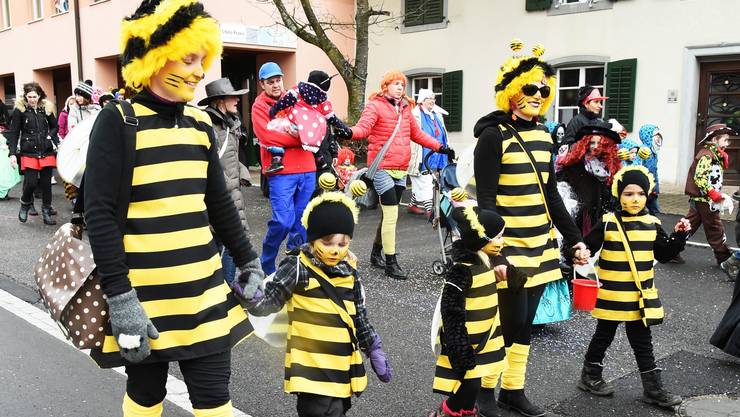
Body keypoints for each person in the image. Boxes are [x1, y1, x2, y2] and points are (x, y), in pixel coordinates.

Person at [83, 2, 264, 416]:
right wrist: (121, 299)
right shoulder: (118, 120)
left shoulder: (201, 125)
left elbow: (219, 206)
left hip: (204, 291)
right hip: (144, 298)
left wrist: (249, 261)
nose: (200, 71)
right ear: (153, 57)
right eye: (189, 58)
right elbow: (100, 215)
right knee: (147, 395)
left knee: (216, 399)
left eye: (203, 59)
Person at [472, 40, 590, 417]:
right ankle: (485, 391)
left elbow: (551, 194)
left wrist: (574, 239)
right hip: (508, 248)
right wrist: (496, 252)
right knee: (507, 322)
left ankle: (514, 390)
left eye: (544, 89)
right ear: (511, 92)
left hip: (541, 246)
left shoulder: (543, 136)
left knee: (526, 325)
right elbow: (486, 202)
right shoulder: (494, 137)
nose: (539, 95)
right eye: (530, 88)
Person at [241, 191, 391, 417]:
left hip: (340, 365)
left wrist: (373, 347)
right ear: (312, 238)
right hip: (310, 367)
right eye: (327, 242)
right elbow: (271, 301)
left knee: (337, 411)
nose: (335, 249)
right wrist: (250, 294)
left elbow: (358, 315)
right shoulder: (298, 267)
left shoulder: (350, 272)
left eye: (342, 243)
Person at [578, 165, 689, 409]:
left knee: (642, 342)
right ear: (619, 195)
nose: (635, 199)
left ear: (647, 194)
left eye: (640, 193)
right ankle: (590, 376)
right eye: (628, 194)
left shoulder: (652, 224)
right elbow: (587, 247)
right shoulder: (607, 223)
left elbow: (664, 253)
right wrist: (581, 253)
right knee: (603, 336)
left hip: (639, 297)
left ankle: (652, 388)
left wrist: (679, 236)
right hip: (611, 295)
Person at [349, 70, 455, 280]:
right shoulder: (375, 105)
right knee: (391, 215)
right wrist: (348, 132)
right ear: (385, 85)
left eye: (402, 84)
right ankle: (391, 263)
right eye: (396, 83)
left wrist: (440, 147)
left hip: (400, 168)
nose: (400, 87)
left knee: (389, 215)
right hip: (381, 167)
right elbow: (363, 128)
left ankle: (375, 253)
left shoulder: (406, 108)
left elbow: (416, 134)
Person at [430, 206, 526, 417]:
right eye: (497, 237)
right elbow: (451, 311)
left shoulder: (488, 263)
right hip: (466, 344)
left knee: (473, 386)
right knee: (469, 385)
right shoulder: (461, 270)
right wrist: (459, 349)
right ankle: (445, 413)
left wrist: (510, 275)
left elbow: (514, 288)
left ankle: (463, 412)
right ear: (481, 239)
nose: (502, 242)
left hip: (484, 338)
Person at [252, 61, 318, 275]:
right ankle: (267, 262)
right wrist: (301, 138)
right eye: (270, 82)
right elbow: (267, 136)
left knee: (301, 222)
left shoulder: (297, 97)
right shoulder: (259, 106)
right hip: (280, 172)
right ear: (262, 84)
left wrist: (300, 135)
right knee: (283, 221)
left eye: (278, 80)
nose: (275, 85)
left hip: (307, 168)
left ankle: (295, 265)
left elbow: (313, 126)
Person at [199, 77, 252, 285]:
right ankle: (224, 287)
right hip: (221, 195)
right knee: (229, 241)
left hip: (231, 191)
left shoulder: (229, 124)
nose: (237, 101)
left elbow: (229, 157)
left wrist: (242, 170)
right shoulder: (209, 126)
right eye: (233, 97)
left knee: (227, 240)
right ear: (220, 100)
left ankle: (220, 286)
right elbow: (208, 160)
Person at [266, 70, 351, 173]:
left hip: (295, 121)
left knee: (279, 131)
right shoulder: (322, 100)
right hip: (312, 125)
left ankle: (277, 159)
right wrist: (345, 128)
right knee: (314, 140)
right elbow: (331, 117)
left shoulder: (298, 91)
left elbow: (285, 101)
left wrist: (274, 110)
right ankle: (320, 159)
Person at [5, 82, 59, 225]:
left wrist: (50, 135)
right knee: (31, 183)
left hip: (46, 150)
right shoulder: (20, 111)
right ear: (26, 96)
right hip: (28, 151)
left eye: (35, 96)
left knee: (47, 184)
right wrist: (12, 154)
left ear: (39, 95)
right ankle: (25, 203)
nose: (32, 99)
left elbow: (55, 126)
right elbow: (14, 132)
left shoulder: (45, 108)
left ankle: (46, 211)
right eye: (29, 96)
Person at [683, 123, 735, 266]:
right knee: (714, 227)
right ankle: (723, 256)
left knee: (689, 225)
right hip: (705, 199)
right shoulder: (707, 155)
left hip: (704, 198)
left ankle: (671, 249)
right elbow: (700, 178)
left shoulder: (714, 154)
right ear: (714, 140)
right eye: (725, 140)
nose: (727, 143)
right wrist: (713, 194)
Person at [557, 122, 622, 236]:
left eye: (600, 143)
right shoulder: (575, 165)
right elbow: (563, 187)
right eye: (592, 142)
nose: (595, 146)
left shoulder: (611, 167)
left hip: (603, 218)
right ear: (585, 143)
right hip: (580, 220)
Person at [409, 88, 449, 216]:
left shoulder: (437, 114)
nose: (432, 101)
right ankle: (429, 210)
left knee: (426, 180)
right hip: (422, 153)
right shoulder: (415, 115)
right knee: (424, 181)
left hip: (436, 152)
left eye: (433, 98)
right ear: (421, 101)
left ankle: (412, 205)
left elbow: (443, 133)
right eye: (429, 99)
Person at [638, 124, 663, 215]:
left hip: (652, 185)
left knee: (651, 209)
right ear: (648, 136)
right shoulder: (644, 150)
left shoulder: (653, 151)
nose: (658, 137)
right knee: (653, 210)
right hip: (646, 185)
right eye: (656, 135)